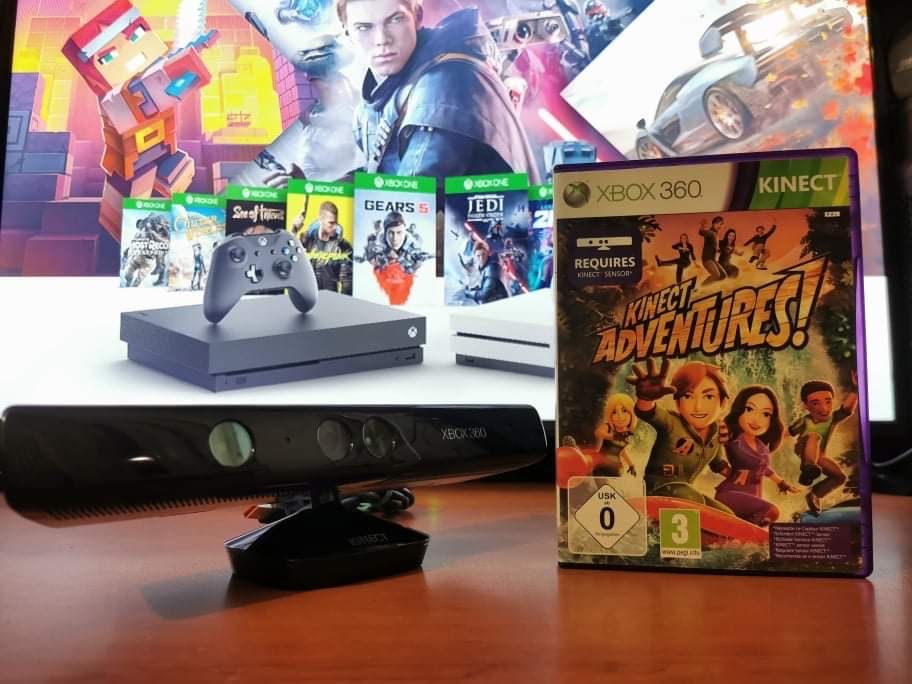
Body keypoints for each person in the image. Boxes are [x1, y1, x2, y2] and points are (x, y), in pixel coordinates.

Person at [338, 0, 540, 180]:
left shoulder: (445, 81)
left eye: (395, 20)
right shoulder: (384, 93)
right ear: (347, 32)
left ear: (417, 16)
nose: (382, 39)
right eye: (364, 27)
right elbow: (385, 174)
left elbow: (416, 195)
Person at [626, 359, 733, 513]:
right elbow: (648, 412)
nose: (698, 407)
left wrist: (743, 474)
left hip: (686, 495)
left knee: (727, 515)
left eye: (708, 397)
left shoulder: (716, 434)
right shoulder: (671, 422)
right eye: (688, 397)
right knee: (692, 498)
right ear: (678, 404)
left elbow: (718, 464)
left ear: (723, 403)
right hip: (656, 492)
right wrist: (646, 398)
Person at [716, 386, 799, 527]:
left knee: (757, 522)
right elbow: (715, 449)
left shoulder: (761, 446)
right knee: (771, 511)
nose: (756, 419)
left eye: (765, 414)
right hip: (730, 495)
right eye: (749, 409)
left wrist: (781, 483)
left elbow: (763, 467)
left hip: (752, 497)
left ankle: (742, 536)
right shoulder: (733, 438)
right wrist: (727, 471)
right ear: (739, 410)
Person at [789, 377, 858, 513]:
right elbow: (787, 433)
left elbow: (847, 409)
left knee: (840, 477)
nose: (824, 408)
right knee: (814, 437)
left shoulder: (833, 419)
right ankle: (808, 469)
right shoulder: (804, 421)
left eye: (828, 402)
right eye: (816, 403)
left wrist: (856, 389)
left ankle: (815, 494)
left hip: (820, 456)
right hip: (803, 449)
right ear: (805, 405)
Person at [299, 201, 353, 295]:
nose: (335, 227)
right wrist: (293, 230)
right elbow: (288, 264)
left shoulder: (343, 246)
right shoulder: (305, 240)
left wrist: (341, 302)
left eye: (336, 223)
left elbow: (347, 283)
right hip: (308, 298)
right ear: (320, 220)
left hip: (331, 299)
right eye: (331, 223)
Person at [592, 393, 638, 477]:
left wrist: (631, 464)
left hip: (616, 468)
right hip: (602, 465)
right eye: (614, 412)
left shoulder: (626, 433)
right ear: (610, 415)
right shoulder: (608, 427)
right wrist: (613, 437)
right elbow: (597, 432)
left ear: (632, 413)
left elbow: (621, 450)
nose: (620, 416)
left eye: (624, 410)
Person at [698, 217, 726, 284]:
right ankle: (702, 287)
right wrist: (702, 226)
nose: (719, 225)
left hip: (713, 260)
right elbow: (701, 232)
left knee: (723, 275)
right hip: (707, 260)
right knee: (716, 275)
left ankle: (712, 286)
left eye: (721, 224)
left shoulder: (716, 234)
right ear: (713, 224)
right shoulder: (710, 233)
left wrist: (720, 250)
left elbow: (716, 247)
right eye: (717, 223)